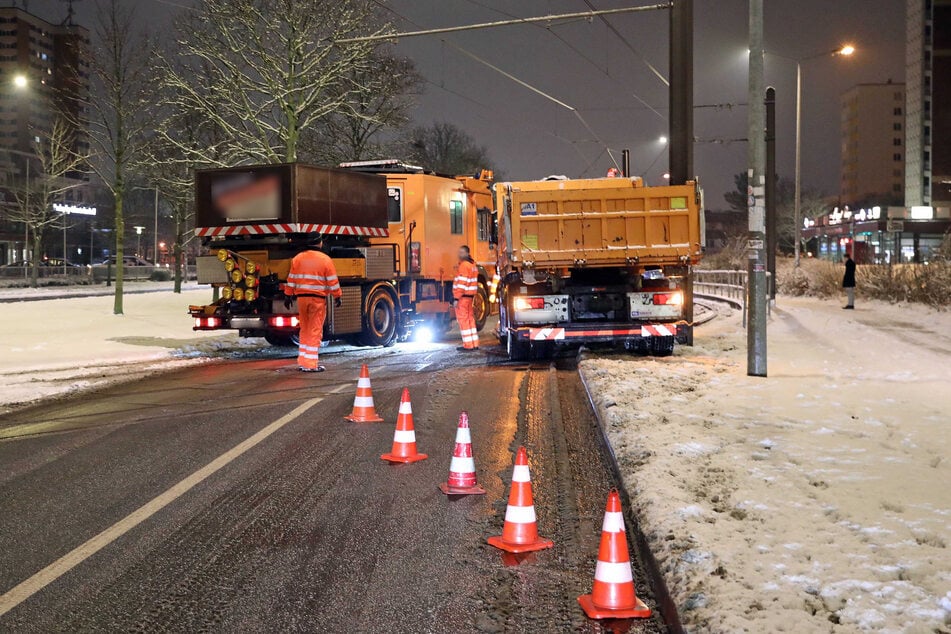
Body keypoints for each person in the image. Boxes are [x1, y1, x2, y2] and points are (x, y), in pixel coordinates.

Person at [284, 238, 342, 372]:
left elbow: (291, 279)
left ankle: (303, 362)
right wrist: (337, 295)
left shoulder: (297, 259)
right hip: (317, 300)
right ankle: (310, 364)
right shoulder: (325, 259)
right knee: (315, 330)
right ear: (320, 243)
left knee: (304, 329)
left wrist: (288, 295)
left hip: (301, 299)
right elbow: (332, 281)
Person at [452, 245, 480, 352]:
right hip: (469, 297)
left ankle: (468, 345)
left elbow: (462, 284)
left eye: (462, 252)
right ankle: (474, 343)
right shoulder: (473, 265)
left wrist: (456, 298)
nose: (460, 254)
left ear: (467, 253)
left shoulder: (464, 266)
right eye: (459, 252)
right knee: (470, 319)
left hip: (463, 298)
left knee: (463, 320)